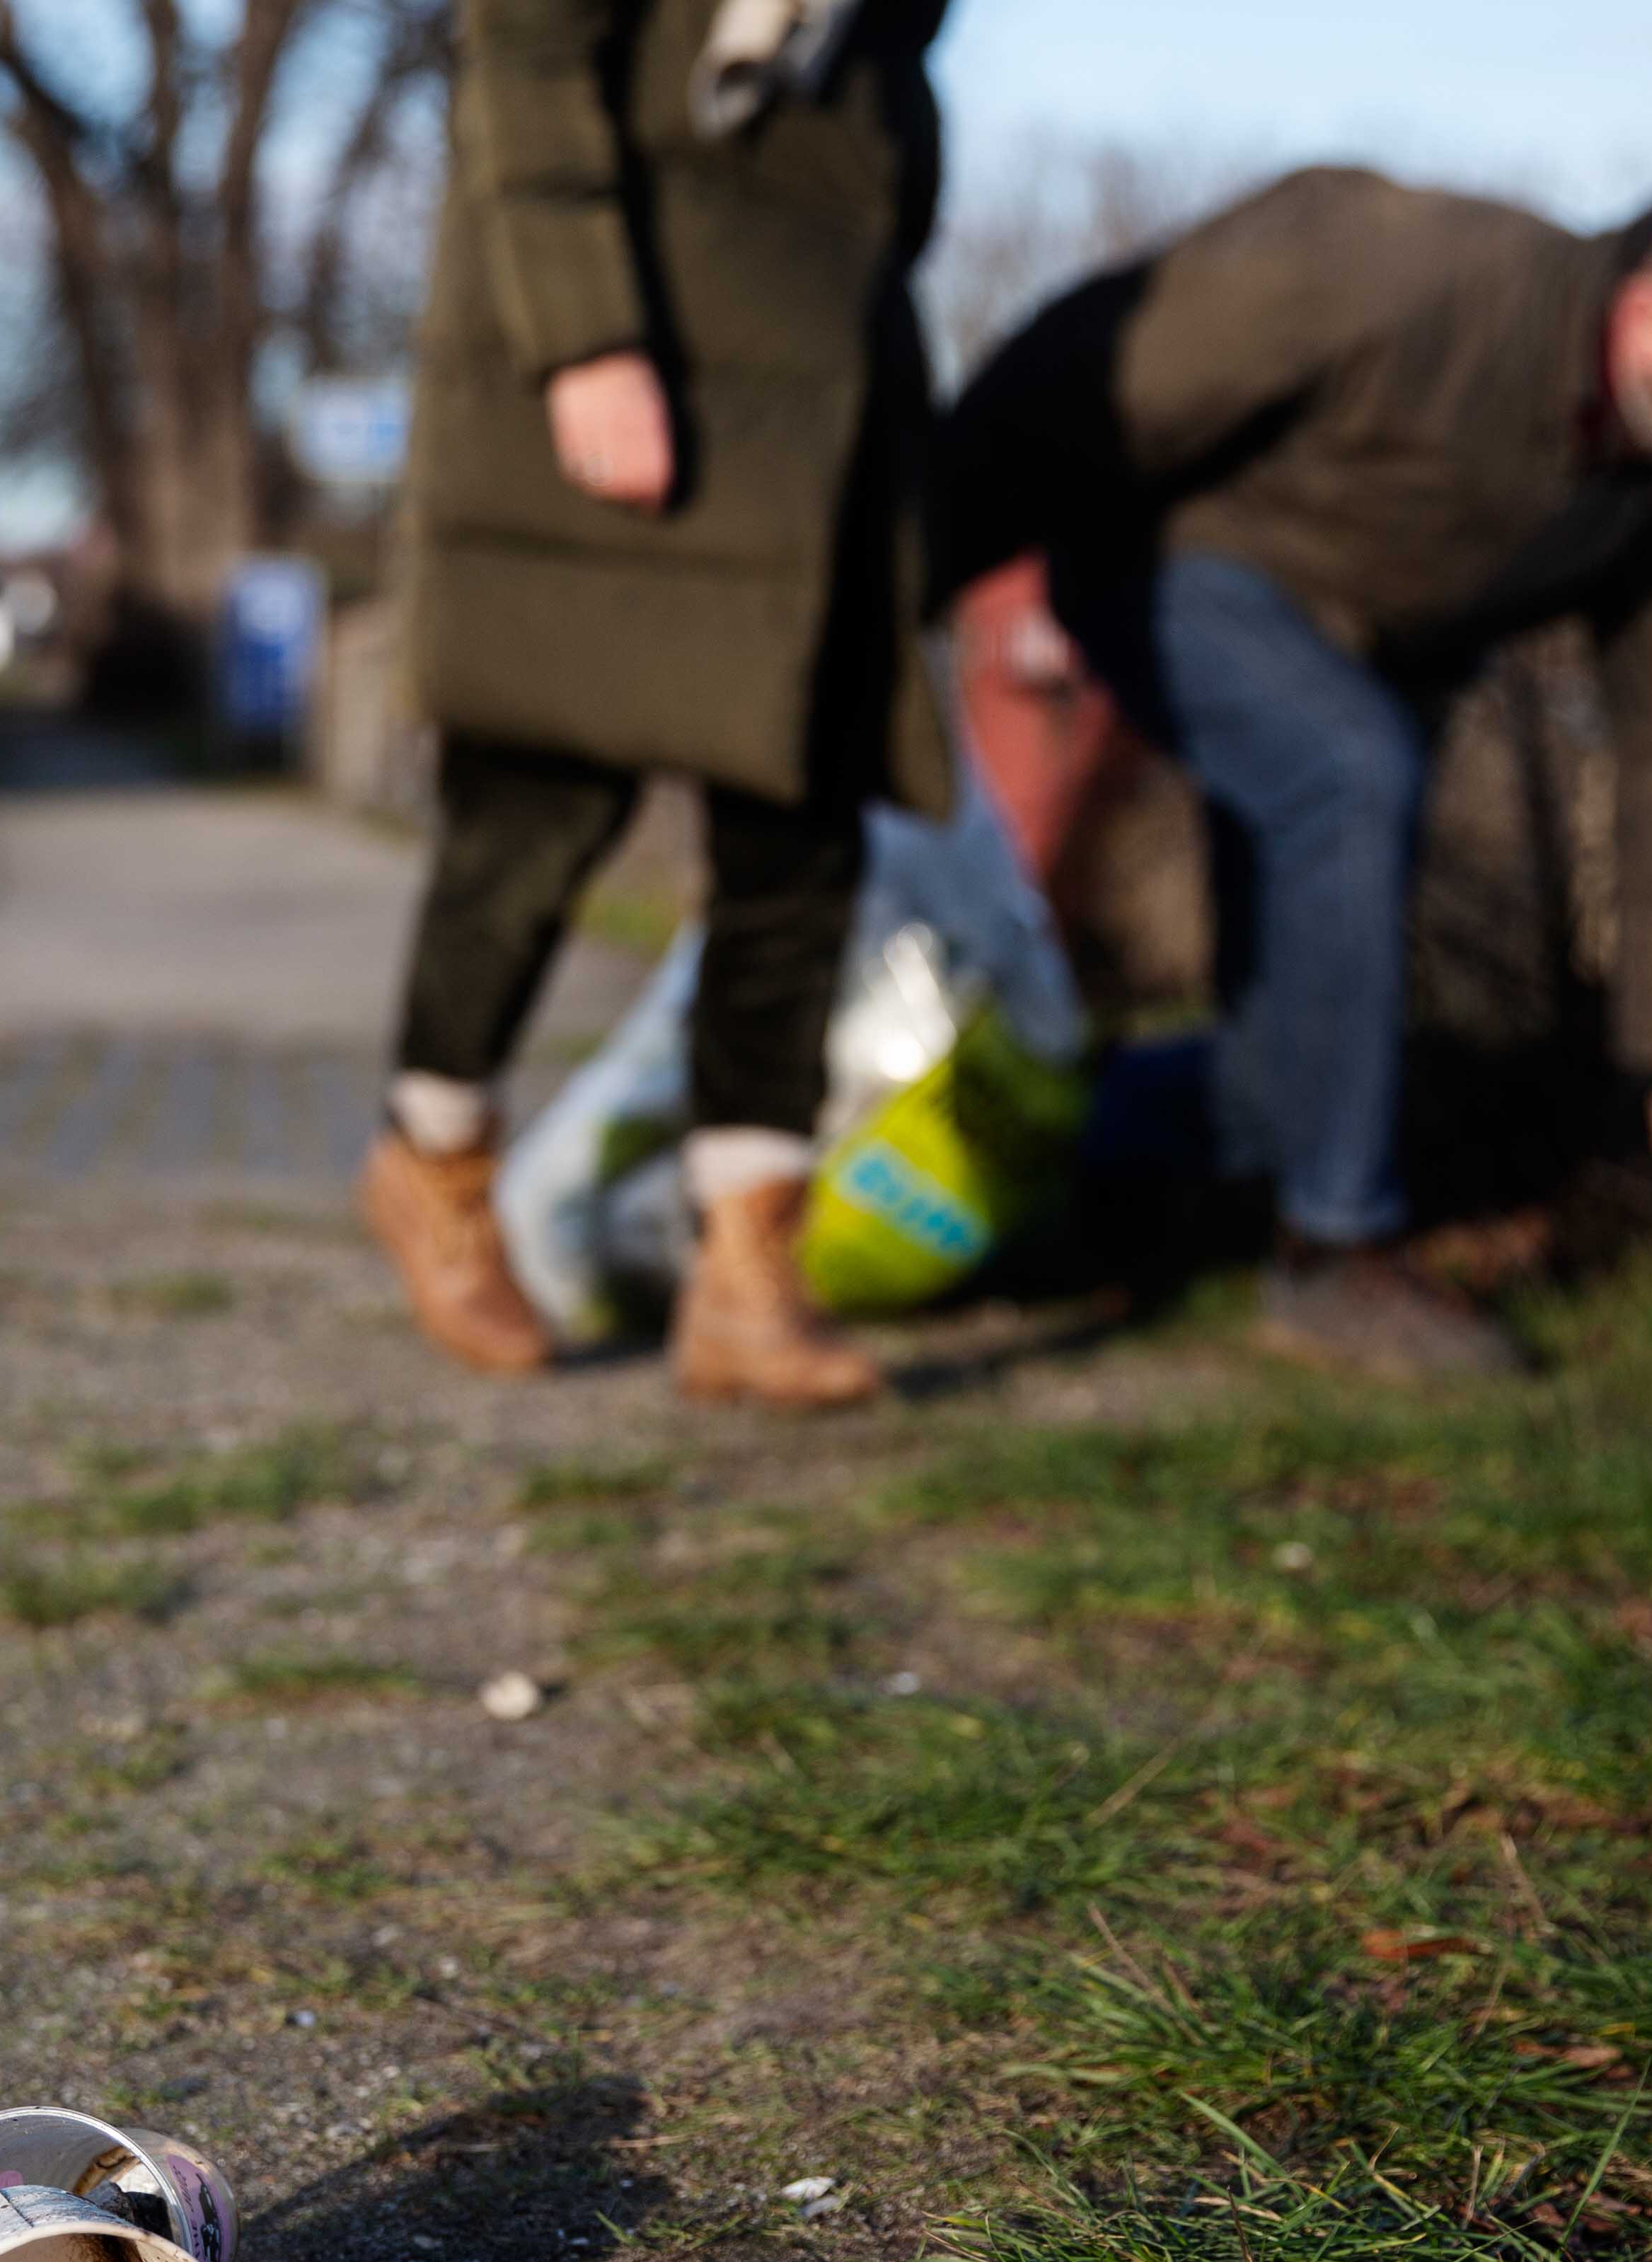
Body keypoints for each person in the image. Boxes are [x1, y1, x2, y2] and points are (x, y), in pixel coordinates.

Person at [937, 165, 1652, 1376]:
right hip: (1162, 563)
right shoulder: (1411, 276)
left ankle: (1048, 1170)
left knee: (1283, 1084)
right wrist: (902, 583)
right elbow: (1083, 376)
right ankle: (1336, 1256)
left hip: (1357, 667)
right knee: (1350, 767)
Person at [362, 0, 951, 1409]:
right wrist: (585, 340)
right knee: (538, 807)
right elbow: (524, 57)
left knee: (801, 842)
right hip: (630, 357)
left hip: (810, 403)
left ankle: (748, 1269)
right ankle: (433, 1159)